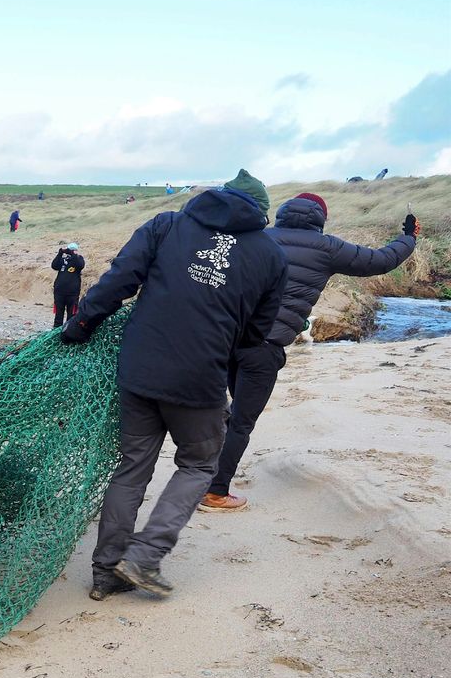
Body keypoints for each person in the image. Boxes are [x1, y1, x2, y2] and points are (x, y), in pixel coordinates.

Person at [60, 169, 287, 601]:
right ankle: (145, 557)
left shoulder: (167, 224)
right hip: (200, 376)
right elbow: (257, 332)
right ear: (260, 211)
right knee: (201, 465)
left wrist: (81, 323)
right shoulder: (271, 256)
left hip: (141, 367)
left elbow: (119, 281)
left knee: (132, 469)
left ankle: (106, 572)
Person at [200, 194, 419, 511]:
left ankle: (204, 474)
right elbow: (381, 260)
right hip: (264, 348)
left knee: (230, 412)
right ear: (321, 218)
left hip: (224, 339)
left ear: (283, 214)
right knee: (241, 422)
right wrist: (409, 238)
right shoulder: (327, 248)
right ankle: (214, 491)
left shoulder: (256, 238)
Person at [51, 243, 86, 328]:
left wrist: (72, 254)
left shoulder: (79, 259)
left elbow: (80, 265)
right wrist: (60, 254)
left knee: (72, 314)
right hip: (59, 291)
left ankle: (69, 330)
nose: (72, 251)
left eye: (74, 250)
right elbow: (54, 266)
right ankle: (56, 329)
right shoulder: (63, 260)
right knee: (59, 313)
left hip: (72, 293)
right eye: (71, 249)